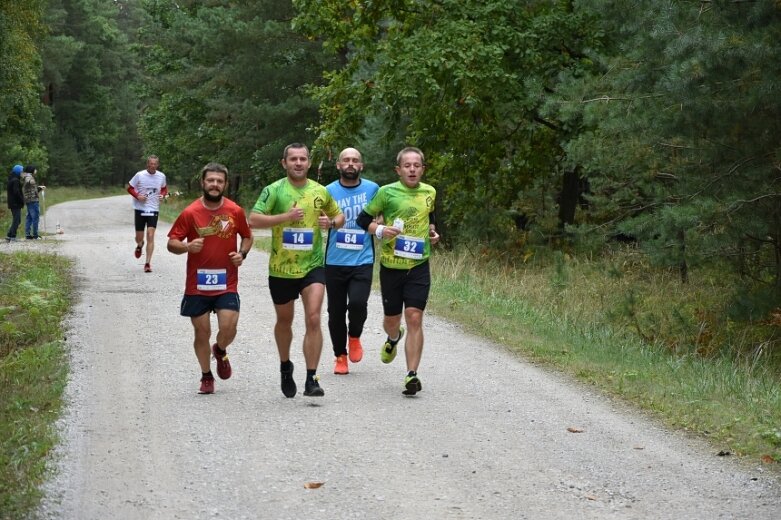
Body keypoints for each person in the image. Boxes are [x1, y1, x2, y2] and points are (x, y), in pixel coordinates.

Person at [249, 143, 344, 398]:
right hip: (281, 268)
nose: (298, 163)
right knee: (284, 321)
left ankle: (311, 377)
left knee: (313, 318)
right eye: (293, 159)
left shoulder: (320, 191)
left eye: (303, 159)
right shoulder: (274, 190)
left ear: (309, 163)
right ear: (284, 163)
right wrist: (284, 217)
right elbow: (253, 219)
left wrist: (330, 222)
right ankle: (285, 366)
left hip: (313, 266)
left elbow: (340, 217)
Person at [356, 146, 439, 396]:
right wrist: (381, 231)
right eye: (407, 165)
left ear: (423, 169)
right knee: (392, 320)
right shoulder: (386, 193)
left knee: (415, 317)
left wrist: (433, 233)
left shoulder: (430, 192)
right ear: (398, 170)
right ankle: (393, 338)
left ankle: (412, 375)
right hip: (392, 267)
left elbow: (430, 216)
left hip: (418, 265)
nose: (412, 169)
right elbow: (363, 221)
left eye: (417, 165)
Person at [167, 163, 253, 394]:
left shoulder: (235, 211)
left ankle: (221, 349)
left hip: (227, 281)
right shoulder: (190, 212)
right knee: (201, 331)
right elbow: (171, 243)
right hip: (198, 284)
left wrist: (242, 254)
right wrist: (186, 246)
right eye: (210, 181)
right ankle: (206, 375)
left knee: (228, 326)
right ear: (202, 183)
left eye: (219, 181)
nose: (215, 185)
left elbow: (247, 237)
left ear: (225, 184)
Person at [324, 147, 379, 375]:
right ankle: (340, 355)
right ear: (338, 165)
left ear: (361, 165)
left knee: (358, 304)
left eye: (355, 160)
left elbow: (381, 214)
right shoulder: (327, 191)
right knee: (335, 311)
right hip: (335, 259)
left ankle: (354, 335)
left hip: (362, 258)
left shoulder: (373, 189)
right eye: (346, 160)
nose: (350, 163)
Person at [127, 155, 168, 272]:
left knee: (150, 235)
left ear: (157, 165)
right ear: (147, 164)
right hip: (140, 209)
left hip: (153, 209)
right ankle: (140, 245)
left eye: (155, 164)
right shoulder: (139, 175)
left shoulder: (161, 176)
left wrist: (163, 195)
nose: (153, 166)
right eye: (151, 164)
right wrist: (137, 196)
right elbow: (130, 188)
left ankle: (147, 263)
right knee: (139, 237)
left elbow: (164, 189)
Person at [21, 164, 44, 239]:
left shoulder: (26, 176)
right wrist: (31, 181)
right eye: (35, 169)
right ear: (32, 170)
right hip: (33, 200)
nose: (36, 170)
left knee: (29, 217)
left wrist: (39, 188)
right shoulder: (29, 177)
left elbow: (32, 190)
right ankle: (35, 235)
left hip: (29, 199)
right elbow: (29, 182)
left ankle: (28, 235)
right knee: (35, 217)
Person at [5, 164, 24, 242]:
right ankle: (13, 236)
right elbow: (16, 192)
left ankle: (9, 235)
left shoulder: (12, 179)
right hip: (15, 203)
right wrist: (21, 200)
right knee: (17, 220)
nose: (22, 173)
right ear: (18, 171)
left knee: (17, 219)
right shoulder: (15, 180)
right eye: (22, 171)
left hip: (12, 203)